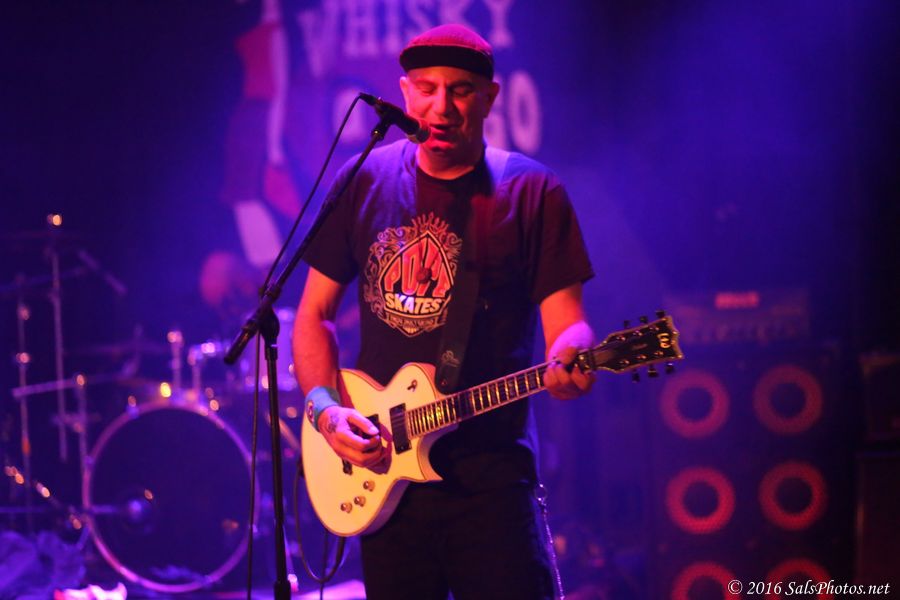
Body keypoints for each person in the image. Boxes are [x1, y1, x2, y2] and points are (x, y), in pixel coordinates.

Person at [293, 23, 596, 600]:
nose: (442, 107)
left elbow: (569, 325)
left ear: (489, 98)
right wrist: (327, 412)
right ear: (405, 93)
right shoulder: (363, 180)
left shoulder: (532, 192)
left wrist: (573, 355)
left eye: (459, 90)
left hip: (492, 484)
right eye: (427, 89)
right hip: (385, 481)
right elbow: (313, 315)